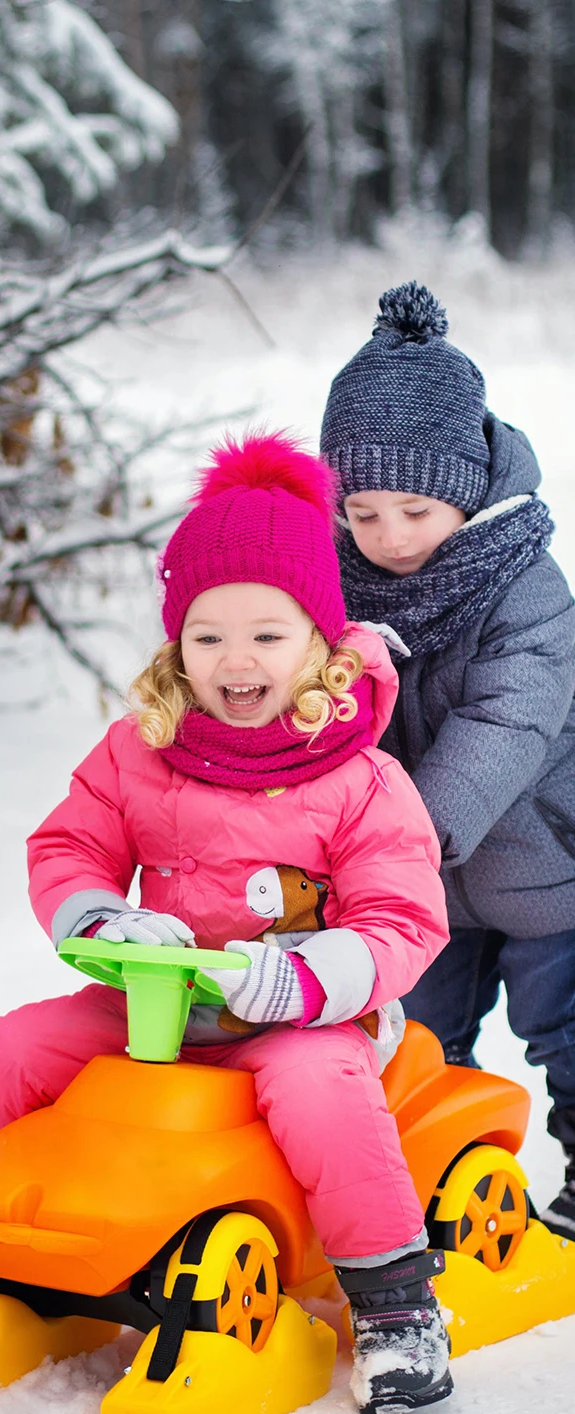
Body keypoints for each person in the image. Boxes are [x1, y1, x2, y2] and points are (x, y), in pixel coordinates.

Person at [0, 433, 453, 1414]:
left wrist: (305, 978)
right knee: (8, 1050)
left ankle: (394, 1301)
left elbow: (402, 916)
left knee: (318, 1091)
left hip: (307, 1015)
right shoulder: (139, 749)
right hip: (159, 1004)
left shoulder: (359, 777)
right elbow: (70, 845)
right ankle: (23, 1244)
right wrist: (103, 918)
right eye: (206, 635)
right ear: (174, 646)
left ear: (318, 642)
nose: (235, 660)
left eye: (267, 634)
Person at [320, 283, 575, 1242]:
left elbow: (511, 719)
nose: (389, 536)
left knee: (566, 1027)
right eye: (363, 511)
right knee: (417, 1040)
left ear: (464, 490)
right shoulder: (337, 589)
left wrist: (404, 835)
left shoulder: (525, 583)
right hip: (419, 888)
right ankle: (441, 1174)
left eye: (414, 508)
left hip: (545, 866)